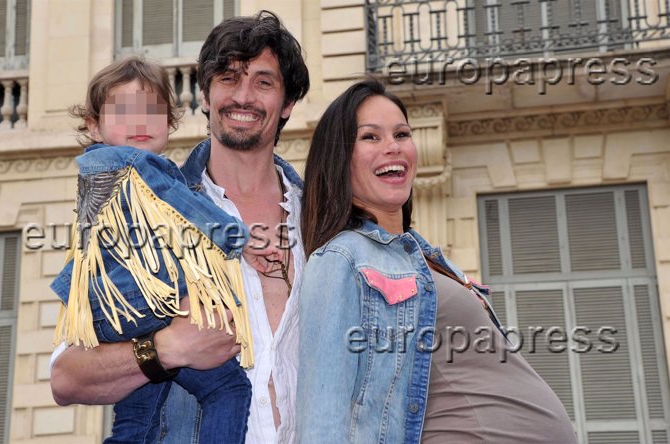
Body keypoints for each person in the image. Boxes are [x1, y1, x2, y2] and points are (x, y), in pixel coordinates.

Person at [50, 11, 310, 444]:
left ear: (286, 104)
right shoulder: (138, 204)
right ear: (204, 96)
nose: (242, 96)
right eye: (228, 78)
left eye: (263, 82)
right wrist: (166, 350)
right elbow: (66, 377)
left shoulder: (325, 222)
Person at [296, 79, 577, 443]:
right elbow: (323, 414)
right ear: (339, 160)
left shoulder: (426, 258)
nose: (392, 148)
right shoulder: (340, 260)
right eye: (370, 137)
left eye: (401, 134)